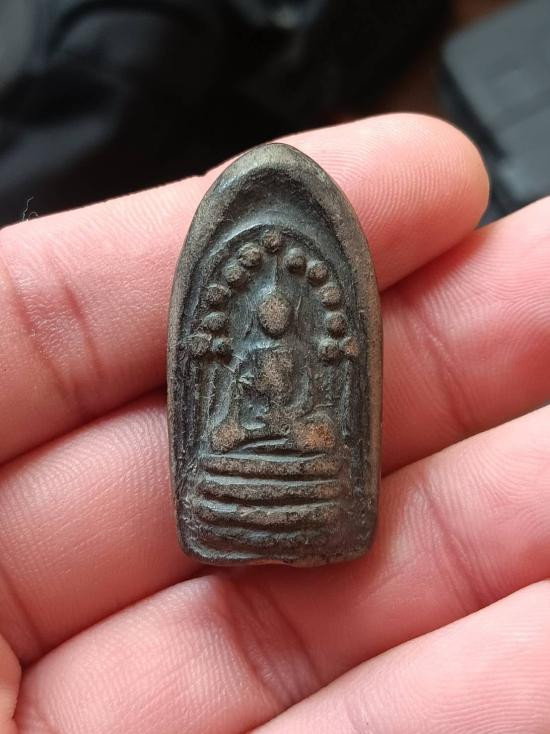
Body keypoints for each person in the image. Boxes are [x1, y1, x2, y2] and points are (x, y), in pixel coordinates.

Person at [0, 113, 549, 733]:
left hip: (292, 430)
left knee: (324, 443)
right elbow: (236, 405)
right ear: (260, 319)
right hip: (256, 432)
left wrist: (293, 419)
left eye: (282, 315)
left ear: (290, 317)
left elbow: (312, 401)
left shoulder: (299, 355)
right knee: (220, 445)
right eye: (267, 316)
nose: (274, 321)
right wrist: (244, 418)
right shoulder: (249, 356)